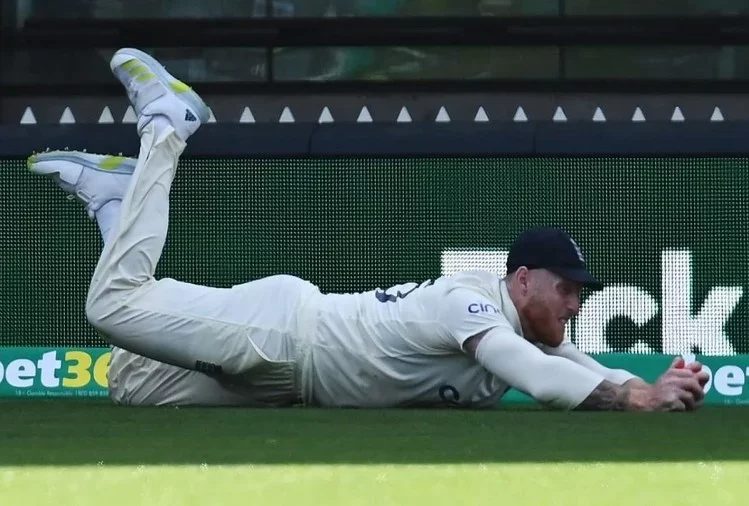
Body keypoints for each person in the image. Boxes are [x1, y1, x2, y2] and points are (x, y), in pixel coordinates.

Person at [28, 47, 708, 411]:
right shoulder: (470, 305)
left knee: (130, 383)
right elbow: (538, 376)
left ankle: (118, 202)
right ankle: (164, 130)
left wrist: (655, 383)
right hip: (284, 334)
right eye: (566, 290)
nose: (575, 303)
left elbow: (585, 369)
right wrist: (634, 400)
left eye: (582, 295)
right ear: (522, 279)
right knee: (111, 305)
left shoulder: (522, 329)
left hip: (288, 383)